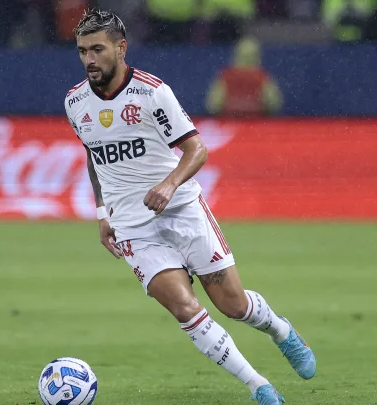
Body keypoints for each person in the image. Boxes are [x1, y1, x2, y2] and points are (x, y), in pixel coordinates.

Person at [64, 9, 316, 405]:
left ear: (121, 47)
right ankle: (259, 386)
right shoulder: (75, 101)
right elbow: (93, 157)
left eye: (97, 49)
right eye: (82, 51)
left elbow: (197, 149)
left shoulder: (151, 92)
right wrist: (101, 214)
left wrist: (168, 184)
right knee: (184, 308)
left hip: (181, 208)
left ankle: (280, 331)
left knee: (233, 305)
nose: (89, 60)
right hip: (132, 225)